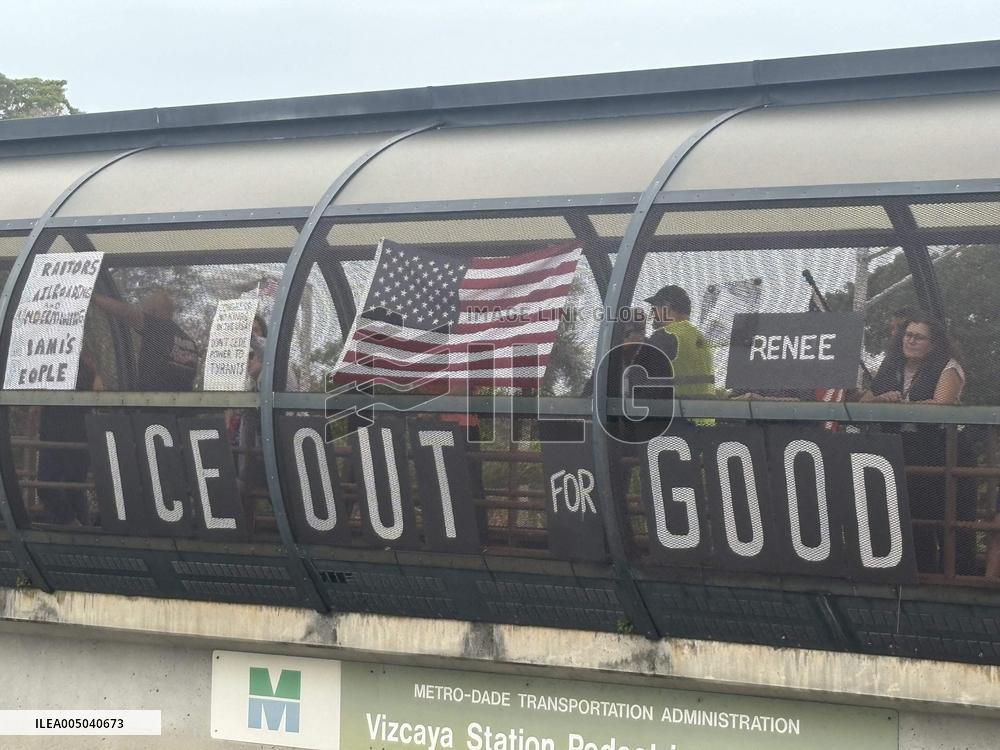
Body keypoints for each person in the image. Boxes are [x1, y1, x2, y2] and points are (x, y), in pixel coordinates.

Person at [860, 313, 976, 574]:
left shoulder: (949, 366)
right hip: (906, 450)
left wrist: (901, 406)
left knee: (952, 522)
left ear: (933, 344)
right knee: (914, 521)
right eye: (907, 335)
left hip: (944, 449)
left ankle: (958, 579)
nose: (909, 341)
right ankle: (920, 575)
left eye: (918, 337)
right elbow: (866, 401)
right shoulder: (891, 367)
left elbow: (941, 403)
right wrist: (882, 400)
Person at [91, 289, 199, 391]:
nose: (143, 313)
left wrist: (89, 296)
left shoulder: (157, 327)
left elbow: (126, 312)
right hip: (182, 407)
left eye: (145, 311)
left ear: (153, 312)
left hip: (152, 405)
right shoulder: (190, 343)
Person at [641, 285, 716, 400]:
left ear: (667, 307)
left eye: (654, 308)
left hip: (680, 415)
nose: (653, 314)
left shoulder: (666, 336)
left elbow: (636, 368)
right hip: (703, 415)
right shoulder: (699, 338)